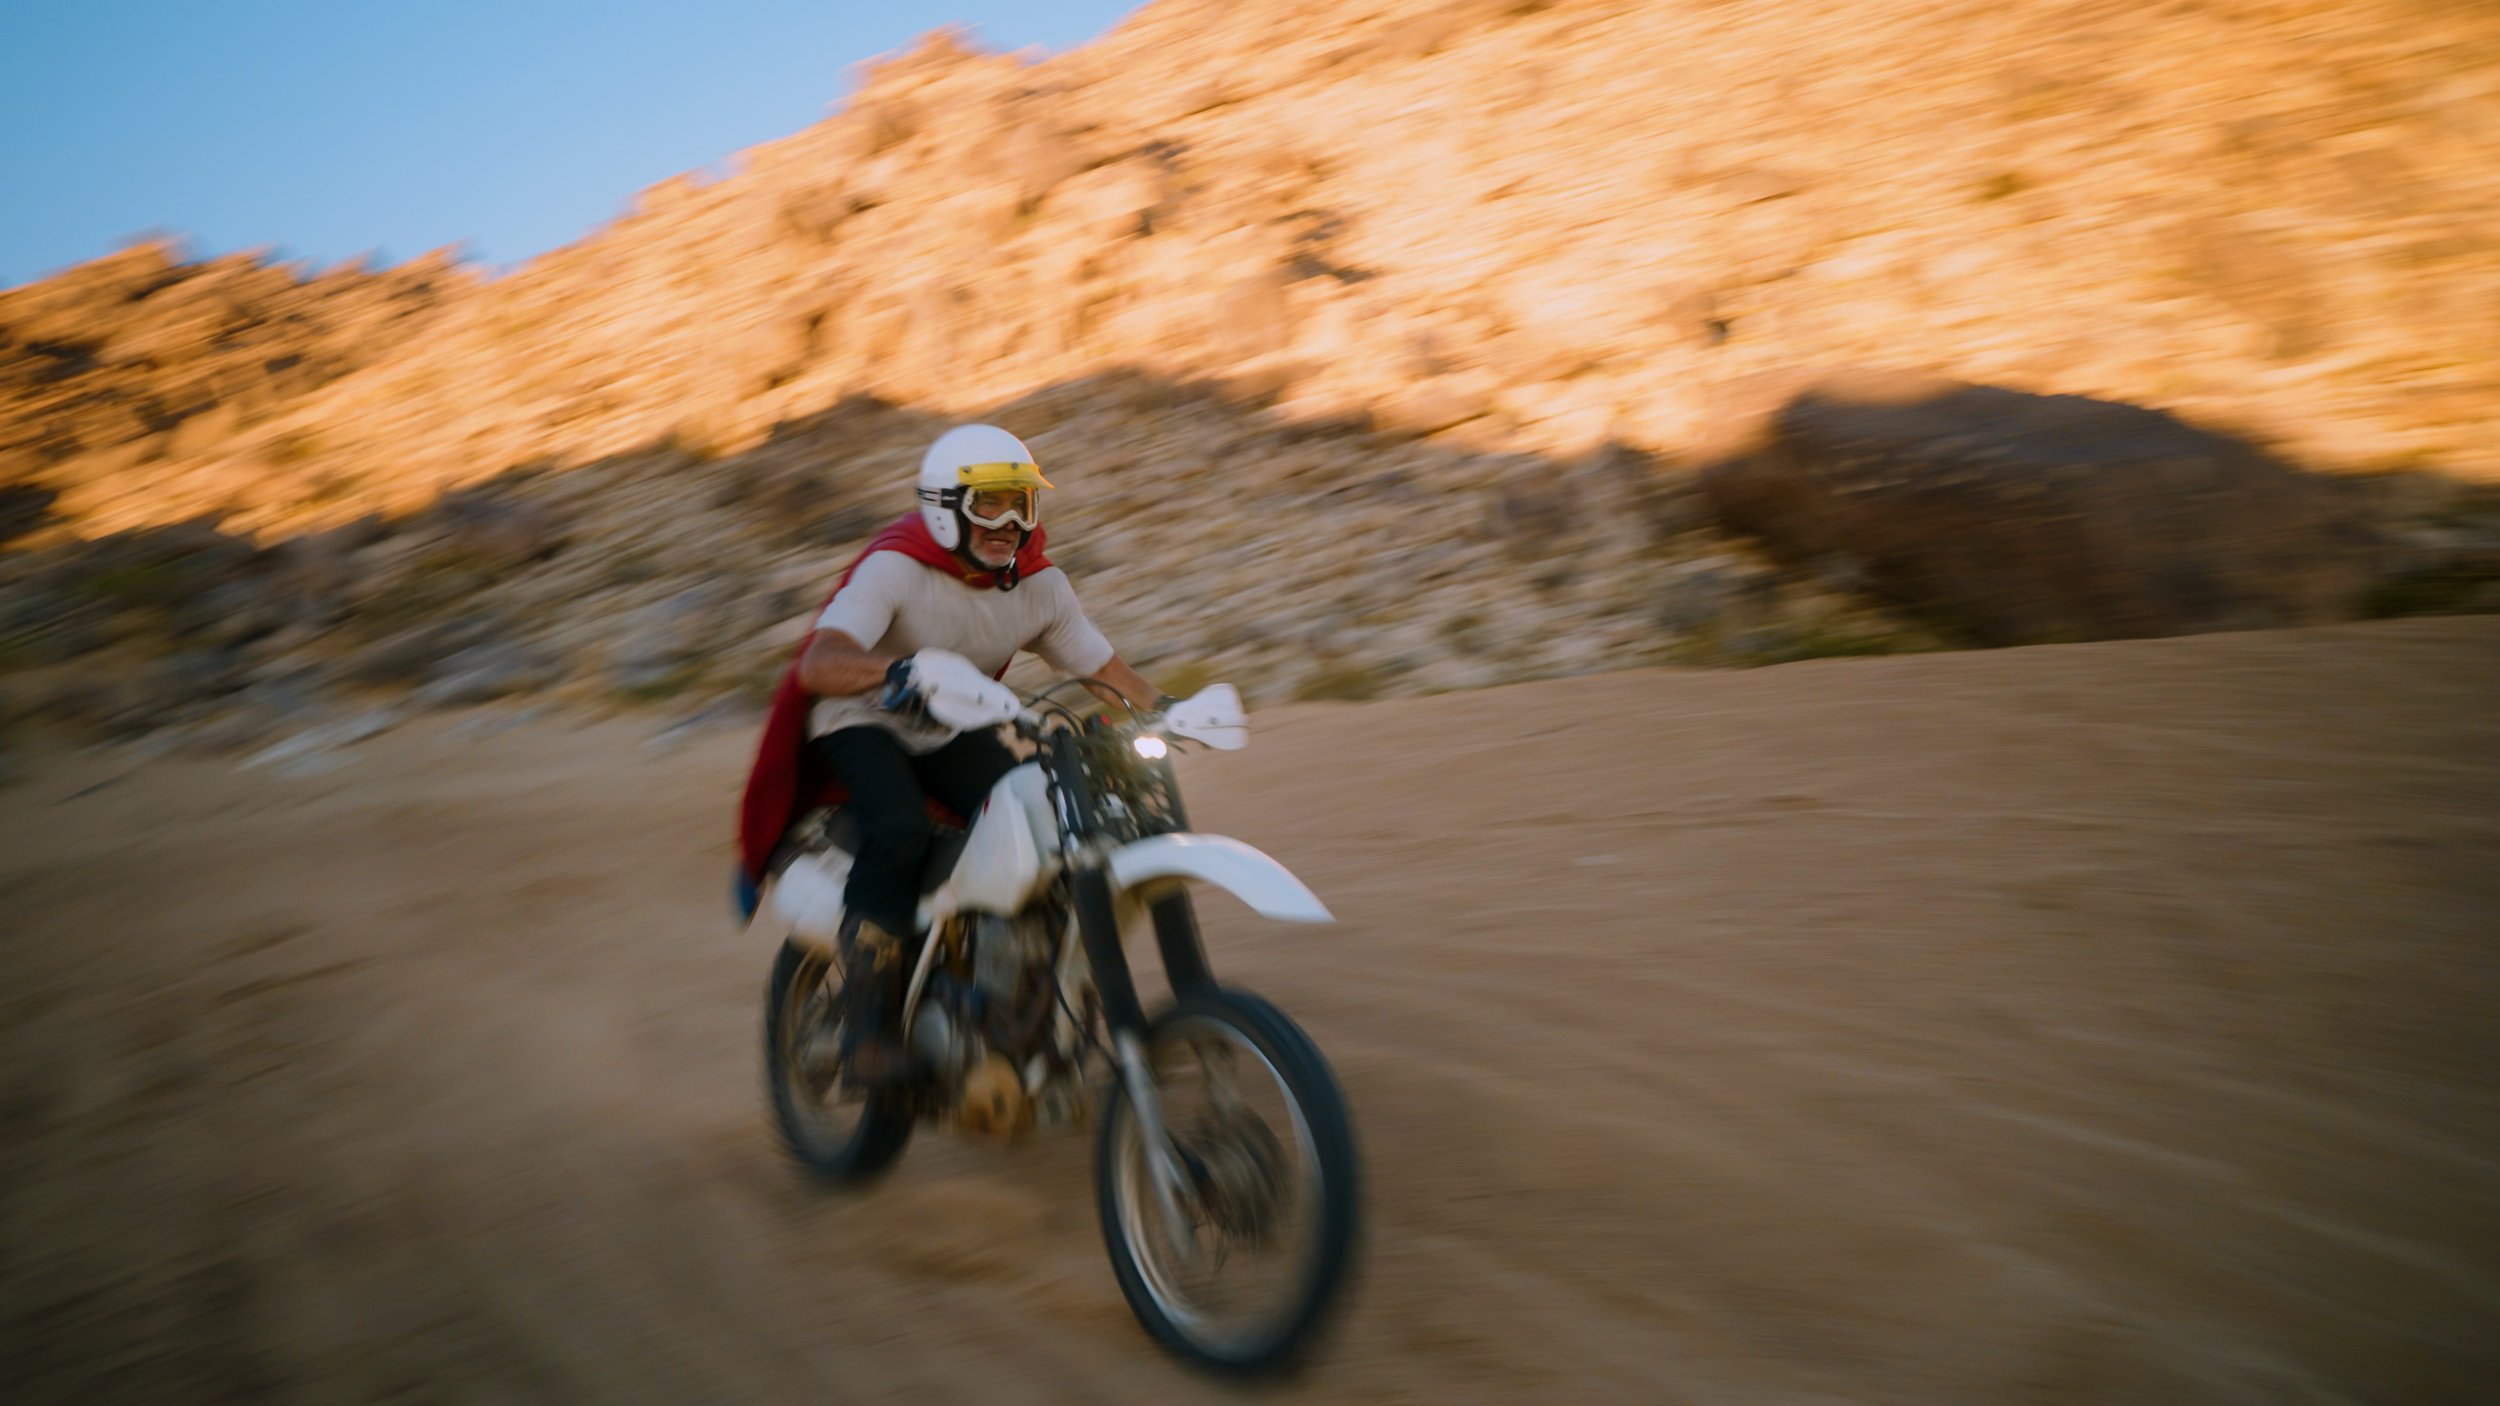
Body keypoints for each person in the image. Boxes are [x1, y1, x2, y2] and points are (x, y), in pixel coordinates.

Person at [736, 423, 1162, 1083]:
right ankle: (868, 1028)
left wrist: (1167, 713)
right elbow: (820, 664)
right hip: (862, 717)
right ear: (943, 506)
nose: (1011, 521)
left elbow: (1102, 666)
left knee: (1048, 816)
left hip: (950, 723)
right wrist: (894, 672)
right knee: (901, 826)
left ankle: (1032, 993)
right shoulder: (896, 567)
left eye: (1023, 502)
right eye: (990, 502)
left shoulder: (1039, 587)